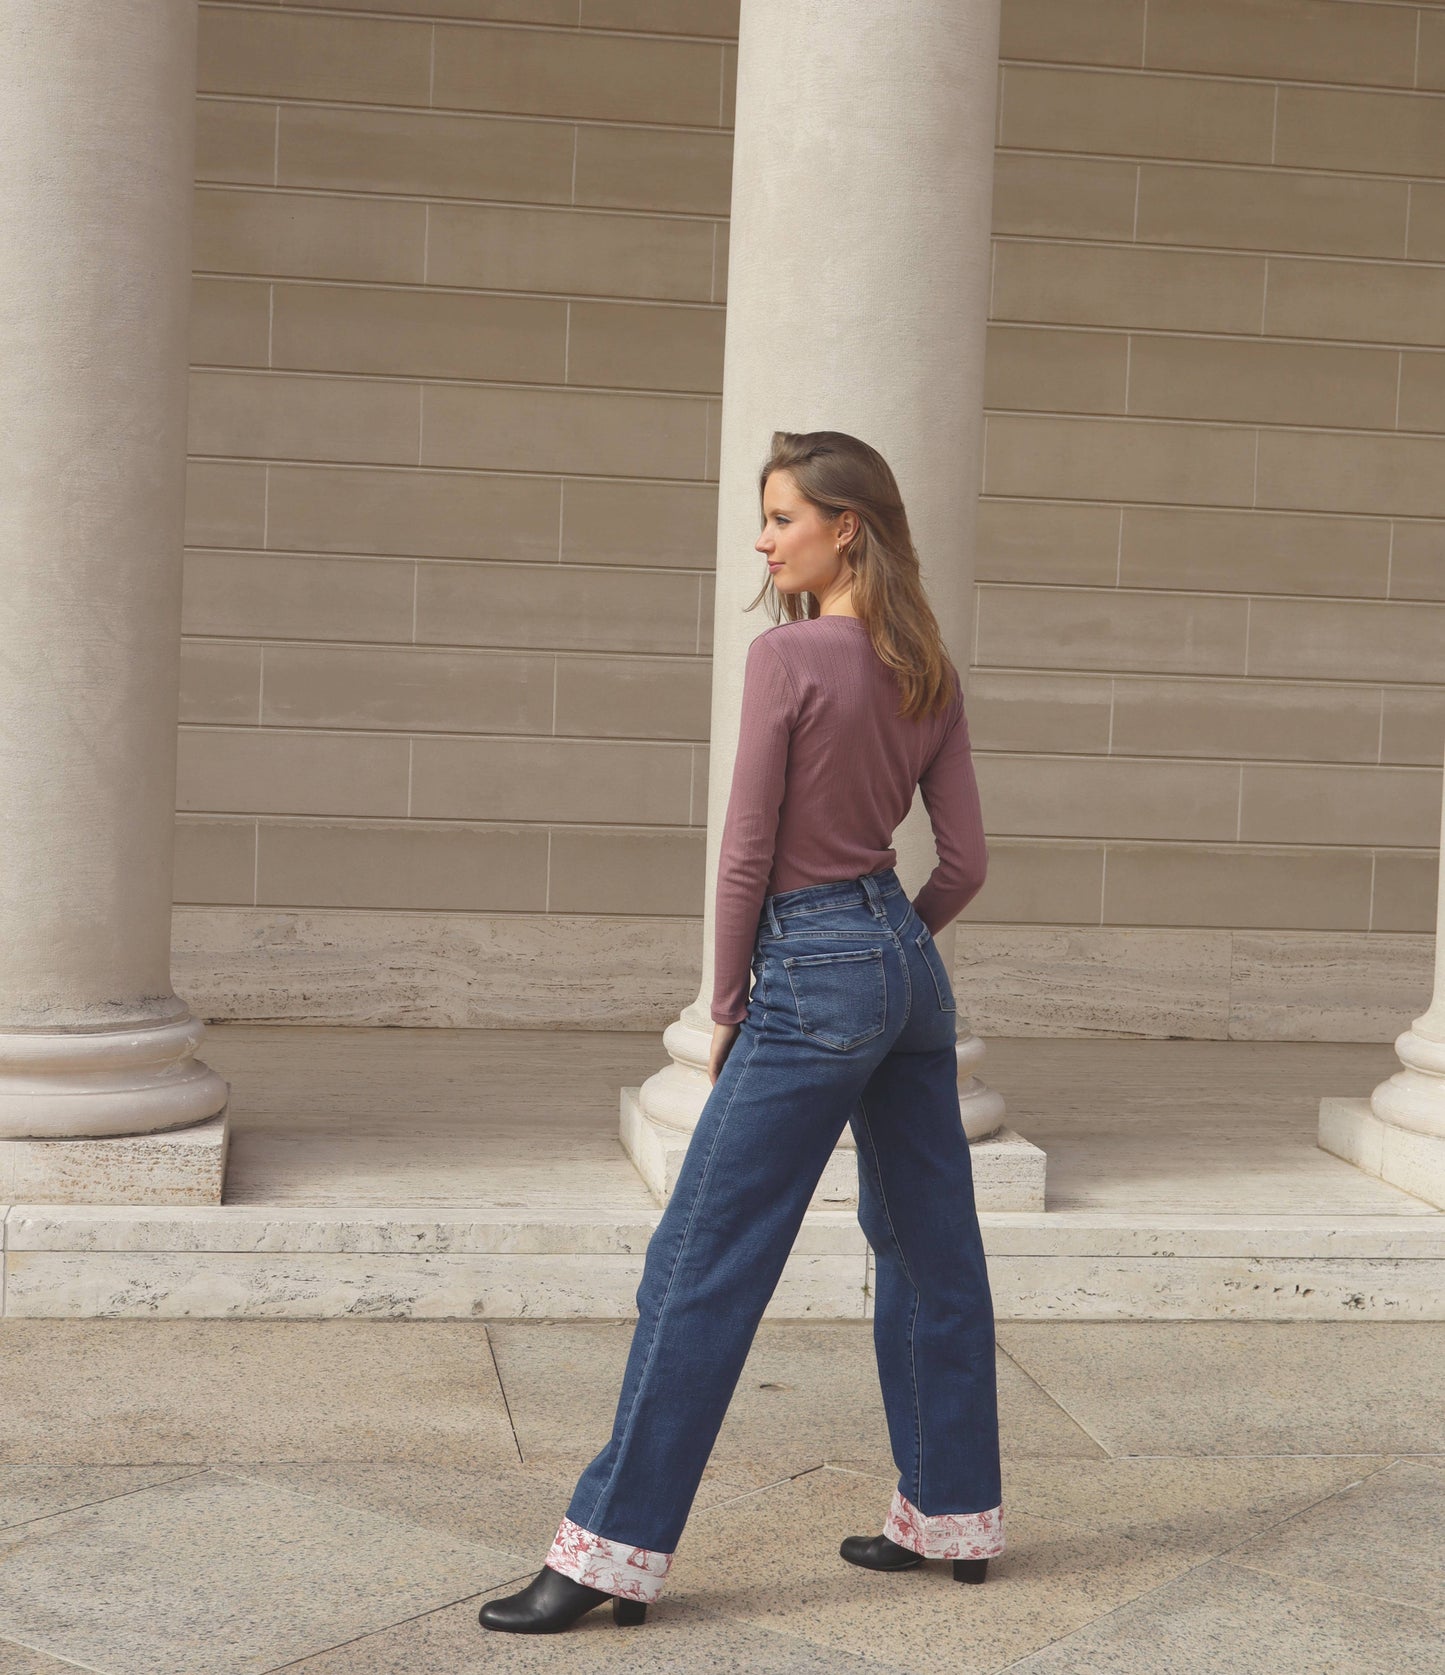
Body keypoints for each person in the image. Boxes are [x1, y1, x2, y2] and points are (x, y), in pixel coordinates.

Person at [479, 429, 1001, 1636]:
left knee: (700, 1256)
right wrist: (897, 945)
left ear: (844, 528)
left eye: (779, 519)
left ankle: (608, 1552)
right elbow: (966, 862)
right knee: (928, 1247)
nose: (762, 542)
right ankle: (953, 1512)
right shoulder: (927, 668)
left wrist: (727, 1004)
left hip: (809, 967)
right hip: (904, 966)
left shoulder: (788, 656)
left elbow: (746, 856)